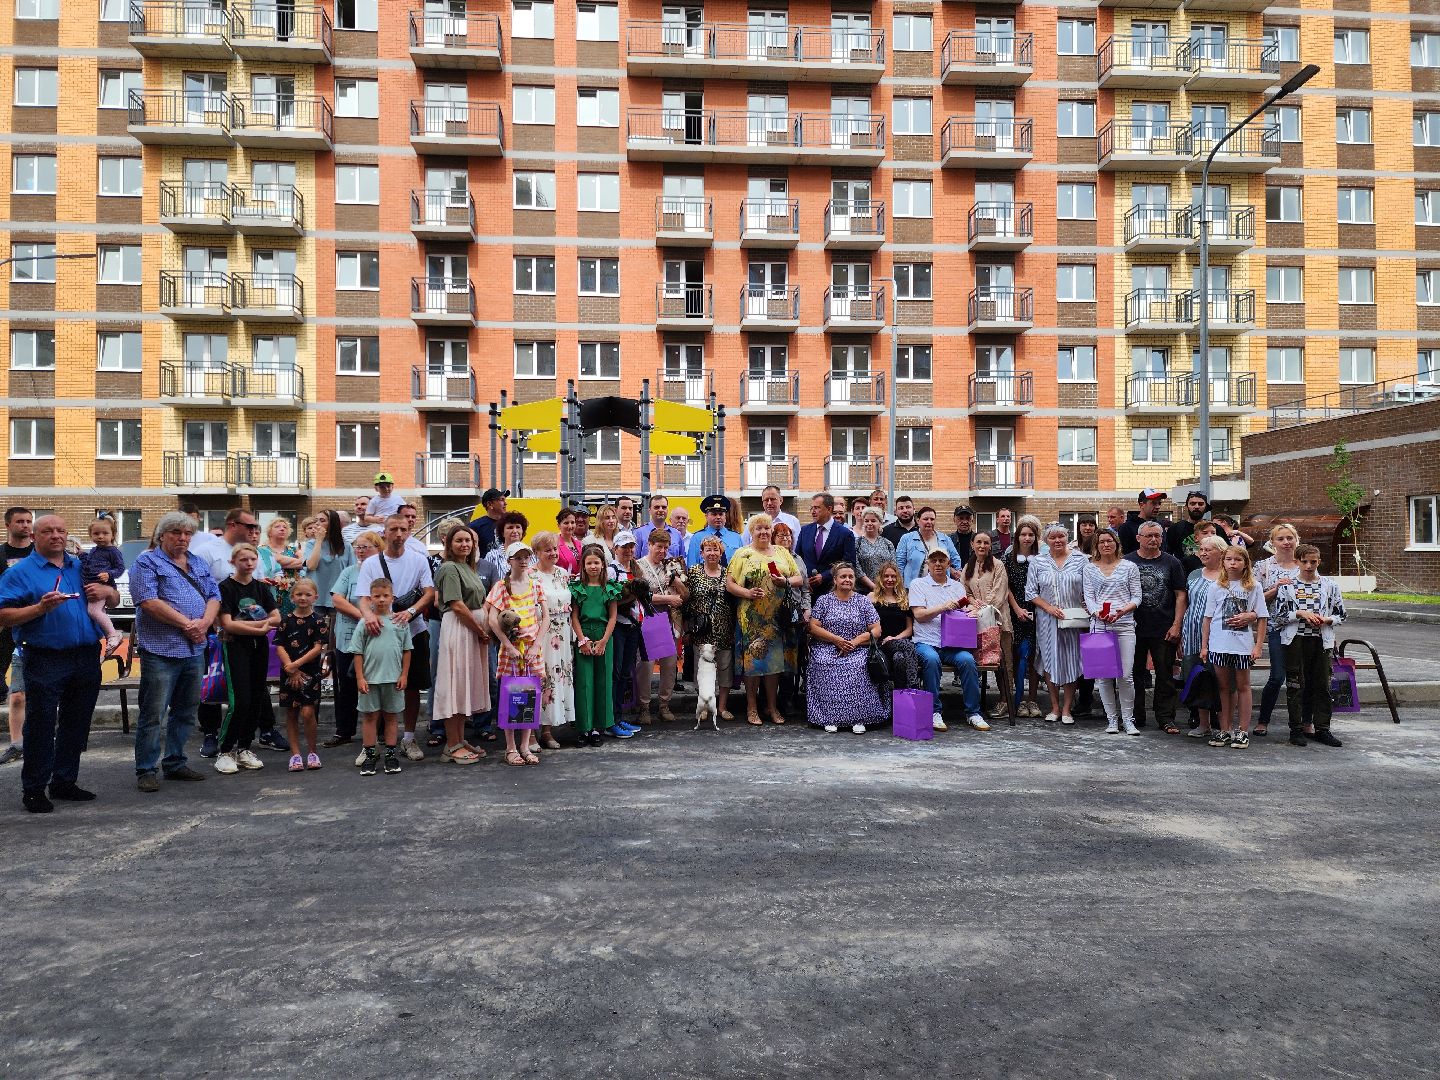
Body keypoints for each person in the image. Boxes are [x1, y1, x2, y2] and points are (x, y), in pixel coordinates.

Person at [0, 515, 115, 812]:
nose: (56, 535)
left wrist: (108, 593)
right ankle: (35, 789)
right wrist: (40, 608)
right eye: (48, 531)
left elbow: (111, 599)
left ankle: (64, 782)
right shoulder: (20, 572)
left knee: (76, 722)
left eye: (61, 530)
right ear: (35, 537)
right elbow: (4, 616)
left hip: (86, 654)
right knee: (40, 723)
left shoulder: (83, 565)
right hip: (44, 656)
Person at [129, 511, 220, 793]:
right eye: (176, 533)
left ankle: (176, 763)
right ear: (162, 535)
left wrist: (204, 623)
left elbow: (214, 596)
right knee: (153, 713)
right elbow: (147, 601)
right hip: (161, 650)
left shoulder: (196, 562)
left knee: (186, 711)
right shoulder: (147, 561)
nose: (182, 538)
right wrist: (187, 625)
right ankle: (146, 769)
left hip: (194, 648)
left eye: (187, 534)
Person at [356, 515, 436, 760]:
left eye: (403, 529)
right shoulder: (371, 563)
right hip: (379, 634)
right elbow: (362, 597)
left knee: (411, 687)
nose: (398, 534)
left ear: (409, 531)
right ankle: (370, 746)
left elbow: (429, 592)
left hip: (413, 631)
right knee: (374, 687)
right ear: (384, 532)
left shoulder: (419, 560)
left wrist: (411, 611)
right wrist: (369, 617)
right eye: (393, 529)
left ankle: (409, 738)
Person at [728, 514, 803, 727]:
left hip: (779, 619)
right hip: (752, 619)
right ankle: (751, 707)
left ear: (771, 531)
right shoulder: (742, 554)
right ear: (751, 532)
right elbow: (730, 584)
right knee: (754, 666)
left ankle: (772, 706)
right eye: (758, 529)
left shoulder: (781, 552)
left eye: (766, 528)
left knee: (774, 665)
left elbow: (799, 578)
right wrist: (747, 593)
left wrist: (785, 581)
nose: (763, 532)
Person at [487, 539, 553, 763]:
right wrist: (506, 643)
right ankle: (510, 747)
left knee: (529, 696)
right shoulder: (501, 587)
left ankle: (525, 746)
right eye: (519, 558)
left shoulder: (535, 584)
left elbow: (545, 618)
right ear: (510, 561)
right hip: (512, 652)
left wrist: (536, 645)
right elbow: (492, 618)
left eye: (526, 557)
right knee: (510, 696)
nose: (524, 561)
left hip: (531, 651)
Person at [214, 544, 278, 775]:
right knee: (239, 700)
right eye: (243, 559)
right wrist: (259, 627)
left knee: (256, 699)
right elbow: (228, 624)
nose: (249, 563)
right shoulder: (226, 588)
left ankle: (244, 747)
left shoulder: (261, 588)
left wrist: (250, 627)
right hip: (235, 648)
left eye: (253, 559)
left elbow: (276, 617)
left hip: (259, 647)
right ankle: (225, 750)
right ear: (233, 562)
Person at [1275, 544, 1347, 748]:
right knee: (1296, 684)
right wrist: (1299, 614)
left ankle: (1323, 728)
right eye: (1304, 562)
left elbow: (1341, 614)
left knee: (1322, 685)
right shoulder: (1288, 586)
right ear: (1296, 562)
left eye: (1313, 562)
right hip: (1296, 639)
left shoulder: (1329, 585)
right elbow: (1278, 617)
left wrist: (1327, 620)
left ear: (1319, 562)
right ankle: (1296, 728)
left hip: (1321, 640)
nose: (1309, 566)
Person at [430, 523, 490, 765]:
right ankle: (451, 744)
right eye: (459, 541)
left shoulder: (467, 567)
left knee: (464, 686)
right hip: (460, 630)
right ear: (449, 544)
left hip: (470, 630)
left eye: (468, 540)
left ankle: (460, 739)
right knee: (454, 685)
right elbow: (456, 604)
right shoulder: (449, 568)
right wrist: (480, 631)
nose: (464, 544)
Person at [909, 550, 985, 731]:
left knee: (967, 660)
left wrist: (973, 611)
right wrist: (942, 607)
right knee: (931, 660)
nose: (937, 564)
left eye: (942, 560)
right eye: (933, 560)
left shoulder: (957, 587)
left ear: (948, 563)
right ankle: (934, 711)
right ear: (927, 563)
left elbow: (964, 612)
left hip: (952, 643)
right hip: (925, 641)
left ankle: (973, 713)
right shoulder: (918, 584)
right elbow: (919, 615)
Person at [805, 563, 886, 733]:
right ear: (835, 579)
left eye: (850, 576)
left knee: (859, 666)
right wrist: (836, 640)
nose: (847, 579)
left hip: (857, 648)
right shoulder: (824, 600)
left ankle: (859, 718)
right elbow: (813, 627)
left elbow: (876, 630)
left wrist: (854, 642)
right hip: (828, 647)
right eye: (843, 576)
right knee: (823, 663)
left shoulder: (862, 601)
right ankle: (829, 717)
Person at [1201, 545, 1268, 749]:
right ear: (1223, 562)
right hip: (1220, 644)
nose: (1233, 563)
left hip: (1242, 646)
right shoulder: (1216, 586)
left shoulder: (1253, 586)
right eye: (1229, 559)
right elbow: (1208, 618)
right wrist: (1205, 646)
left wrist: (1257, 646)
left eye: (1238, 560)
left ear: (1245, 563)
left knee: (1243, 686)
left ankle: (1242, 730)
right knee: (1223, 687)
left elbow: (1262, 617)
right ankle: (1225, 729)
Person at [1125, 520, 1189, 734]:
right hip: (1132, 628)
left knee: (1165, 675)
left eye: (1157, 536)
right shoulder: (1127, 562)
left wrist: (1176, 624)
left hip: (1164, 627)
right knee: (1133, 674)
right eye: (1149, 535)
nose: (1153, 539)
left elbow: (1181, 595)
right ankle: (1135, 716)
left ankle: (1165, 718)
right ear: (1138, 538)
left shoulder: (1172, 563)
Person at [325, 530, 381, 752]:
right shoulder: (349, 571)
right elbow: (337, 599)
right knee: (346, 685)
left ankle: (380, 731)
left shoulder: (381, 573)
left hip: (377, 637)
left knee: (377, 683)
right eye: (357, 546)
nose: (360, 550)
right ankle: (344, 730)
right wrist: (364, 616)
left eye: (365, 546)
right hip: (349, 637)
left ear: (378, 548)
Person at [1083, 528, 1143, 735]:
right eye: (1101, 542)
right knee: (1104, 676)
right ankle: (1112, 720)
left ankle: (1128, 719)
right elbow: (1089, 596)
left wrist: (1123, 610)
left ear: (1116, 543)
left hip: (1125, 624)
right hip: (1100, 625)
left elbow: (1137, 597)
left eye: (1109, 541)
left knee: (1126, 675)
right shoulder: (1089, 568)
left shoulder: (1129, 567)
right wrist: (1096, 612)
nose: (1106, 545)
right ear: (1096, 546)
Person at [1026, 524, 1087, 724]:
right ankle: (1054, 707)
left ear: (1067, 537)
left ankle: (1067, 708)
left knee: (1071, 659)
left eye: (1061, 536)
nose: (1057, 540)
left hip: (1073, 618)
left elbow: (1089, 588)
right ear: (1046, 540)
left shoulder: (1080, 560)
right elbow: (1031, 592)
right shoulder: (1038, 561)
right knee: (1049, 659)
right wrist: (1049, 608)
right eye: (1053, 537)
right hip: (1047, 618)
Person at [351, 578, 412, 776]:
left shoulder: (400, 622)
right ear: (370, 599)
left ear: (392, 597)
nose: (382, 600)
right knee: (369, 717)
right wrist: (360, 677)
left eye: (386, 596)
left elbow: (406, 650)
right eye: (377, 596)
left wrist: (404, 674)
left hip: (393, 679)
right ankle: (370, 755)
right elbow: (358, 652)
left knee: (391, 717)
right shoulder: (364, 623)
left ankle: (390, 755)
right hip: (370, 680)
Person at [570, 544, 622, 747]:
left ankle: (598, 727)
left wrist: (603, 641)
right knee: (584, 683)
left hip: (603, 637)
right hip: (584, 635)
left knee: (603, 681)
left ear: (603, 565)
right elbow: (574, 616)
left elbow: (613, 616)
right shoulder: (578, 588)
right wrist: (582, 640)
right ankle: (584, 727)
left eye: (596, 562)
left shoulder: (609, 588)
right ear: (583, 565)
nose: (593, 566)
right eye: (589, 563)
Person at [1254, 523, 1302, 738]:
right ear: (1272, 543)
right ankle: (1263, 720)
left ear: (1296, 539)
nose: (1286, 542)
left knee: (1303, 676)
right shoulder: (1264, 567)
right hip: (1276, 627)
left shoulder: (1305, 564)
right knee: (1277, 676)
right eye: (1281, 539)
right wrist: (1276, 589)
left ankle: (1304, 723)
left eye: (1289, 538)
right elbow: (1254, 599)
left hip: (1303, 628)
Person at [682, 535, 736, 721]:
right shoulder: (694, 572)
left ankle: (722, 707)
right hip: (702, 631)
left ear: (721, 553)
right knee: (704, 672)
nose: (712, 553)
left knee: (724, 669)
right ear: (702, 553)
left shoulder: (729, 572)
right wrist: (686, 628)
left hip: (724, 629)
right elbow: (687, 601)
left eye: (716, 550)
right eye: (708, 550)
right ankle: (705, 706)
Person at [1181, 534, 1229, 739]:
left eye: (1208, 549)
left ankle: (1225, 725)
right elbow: (1185, 603)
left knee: (1220, 681)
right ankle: (1203, 724)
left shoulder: (1229, 576)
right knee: (1198, 679)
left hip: (1219, 636)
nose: (1203, 552)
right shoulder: (1193, 574)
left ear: (1221, 552)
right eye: (1201, 549)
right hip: (1192, 635)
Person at [633, 528, 684, 723]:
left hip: (668, 620)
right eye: (659, 547)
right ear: (649, 545)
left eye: (666, 548)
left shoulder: (670, 567)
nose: (662, 551)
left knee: (670, 665)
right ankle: (644, 707)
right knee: (645, 666)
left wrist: (678, 582)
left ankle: (664, 705)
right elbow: (640, 594)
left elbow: (684, 595)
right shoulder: (638, 566)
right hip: (648, 620)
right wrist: (668, 598)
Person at [276, 578, 326, 771]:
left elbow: (317, 647)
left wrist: (297, 665)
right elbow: (279, 645)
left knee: (307, 711)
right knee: (291, 712)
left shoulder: (318, 620)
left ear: (315, 597)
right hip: (288, 672)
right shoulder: (286, 619)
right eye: (299, 594)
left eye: (307, 594)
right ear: (292, 597)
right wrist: (290, 666)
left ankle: (312, 751)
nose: (303, 598)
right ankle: (295, 755)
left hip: (310, 672)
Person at [530, 531, 575, 745]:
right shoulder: (530, 575)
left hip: (563, 634)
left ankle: (547, 731)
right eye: (547, 549)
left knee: (555, 679)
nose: (553, 552)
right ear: (536, 552)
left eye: (555, 548)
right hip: (540, 634)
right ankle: (529, 733)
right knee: (538, 678)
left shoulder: (563, 574)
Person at [962, 532, 1014, 718]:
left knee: (1003, 661)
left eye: (986, 542)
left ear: (990, 545)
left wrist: (983, 606)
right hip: (975, 621)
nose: (982, 546)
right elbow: (965, 591)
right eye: (979, 542)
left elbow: (999, 593)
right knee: (980, 660)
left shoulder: (998, 565)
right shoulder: (969, 567)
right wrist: (972, 602)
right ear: (972, 544)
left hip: (997, 620)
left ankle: (1005, 700)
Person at [770, 521, 812, 715]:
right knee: (772, 658)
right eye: (781, 536)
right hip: (772, 614)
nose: (786, 539)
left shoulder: (798, 559)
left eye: (788, 535)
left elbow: (805, 589)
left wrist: (806, 609)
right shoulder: (769, 557)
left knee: (790, 659)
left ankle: (787, 699)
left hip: (794, 614)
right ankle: (768, 701)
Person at [1003, 517, 1042, 718]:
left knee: (1034, 658)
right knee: (1018, 656)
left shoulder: (1043, 560)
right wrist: (1017, 609)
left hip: (1037, 612)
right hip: (1015, 611)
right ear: (1017, 537)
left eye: (1031, 535)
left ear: (1036, 538)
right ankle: (1017, 700)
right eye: (1023, 534)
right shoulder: (1008, 559)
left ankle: (1032, 700)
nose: (1027, 538)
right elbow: (1006, 587)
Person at [607, 532, 645, 732]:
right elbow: (610, 600)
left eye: (631, 546)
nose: (628, 550)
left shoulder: (636, 567)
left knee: (625, 674)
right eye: (624, 547)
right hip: (620, 625)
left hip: (634, 626)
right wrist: (631, 596)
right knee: (616, 673)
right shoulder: (612, 570)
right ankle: (611, 720)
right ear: (616, 548)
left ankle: (618, 717)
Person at [871, 561, 921, 693]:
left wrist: (894, 638)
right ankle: (913, 688)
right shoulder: (872, 598)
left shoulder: (904, 598)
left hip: (898, 643)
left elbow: (909, 629)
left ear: (898, 578)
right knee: (909, 646)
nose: (890, 579)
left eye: (893, 576)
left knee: (899, 658)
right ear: (880, 578)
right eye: (886, 576)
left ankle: (900, 698)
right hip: (879, 643)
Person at [895, 506, 961, 586]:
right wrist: (900, 586)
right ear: (918, 520)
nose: (929, 522)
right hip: (913, 588)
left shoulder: (945, 539)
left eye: (932, 519)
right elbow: (899, 564)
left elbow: (956, 560)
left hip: (940, 587)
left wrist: (957, 573)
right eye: (926, 519)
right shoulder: (906, 539)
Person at [258, 517, 304, 616]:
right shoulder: (262, 549)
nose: (282, 529)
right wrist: (296, 562)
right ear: (269, 532)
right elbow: (276, 559)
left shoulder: (294, 549)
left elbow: (303, 564)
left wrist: (280, 560)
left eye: (285, 527)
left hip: (292, 593)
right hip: (271, 591)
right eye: (277, 526)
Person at [686, 494, 743, 565]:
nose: (718, 517)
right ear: (706, 516)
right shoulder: (697, 538)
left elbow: (741, 564)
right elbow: (692, 565)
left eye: (721, 514)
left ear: (725, 516)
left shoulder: (736, 537)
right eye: (714, 514)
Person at [854, 507, 897, 594]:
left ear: (880, 523)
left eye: (873, 521)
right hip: (863, 590)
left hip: (886, 589)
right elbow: (857, 568)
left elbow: (893, 566)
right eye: (866, 521)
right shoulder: (857, 543)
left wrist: (885, 585)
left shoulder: (887, 543)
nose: (869, 523)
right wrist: (874, 587)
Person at [1165, 490, 1212, 562]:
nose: (1196, 507)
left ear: (1206, 507)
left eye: (1200, 504)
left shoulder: (1214, 529)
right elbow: (1167, 555)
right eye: (1193, 504)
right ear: (1186, 507)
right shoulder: (1175, 529)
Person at [483, 511, 530, 580]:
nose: (515, 531)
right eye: (510, 527)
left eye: (518, 527)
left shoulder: (532, 554)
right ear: (502, 532)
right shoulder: (492, 556)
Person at [1118, 489, 1165, 555]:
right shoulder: (1127, 528)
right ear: (1142, 505)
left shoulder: (1160, 526)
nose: (1158, 507)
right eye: (1153, 503)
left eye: (1159, 503)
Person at [472, 487, 510, 557]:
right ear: (490, 504)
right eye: (501, 500)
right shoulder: (475, 527)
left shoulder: (511, 524)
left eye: (505, 499)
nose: (505, 503)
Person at [555, 507, 584, 574]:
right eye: (566, 523)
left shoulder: (579, 544)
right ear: (559, 525)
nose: (570, 526)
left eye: (572, 522)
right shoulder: (554, 545)